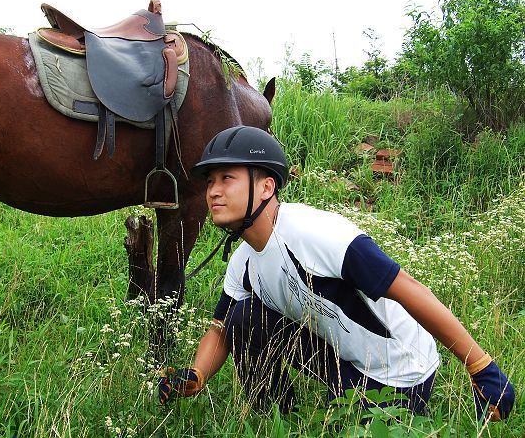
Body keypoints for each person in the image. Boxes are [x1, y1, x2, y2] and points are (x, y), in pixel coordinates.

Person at [158, 126, 515, 421]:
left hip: (398, 371)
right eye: (209, 182)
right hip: (341, 358)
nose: (214, 191)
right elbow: (221, 329)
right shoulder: (243, 262)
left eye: (227, 178)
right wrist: (198, 374)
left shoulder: (317, 235)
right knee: (243, 317)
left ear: (267, 186)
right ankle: (281, 420)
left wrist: (481, 366)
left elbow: (407, 288)